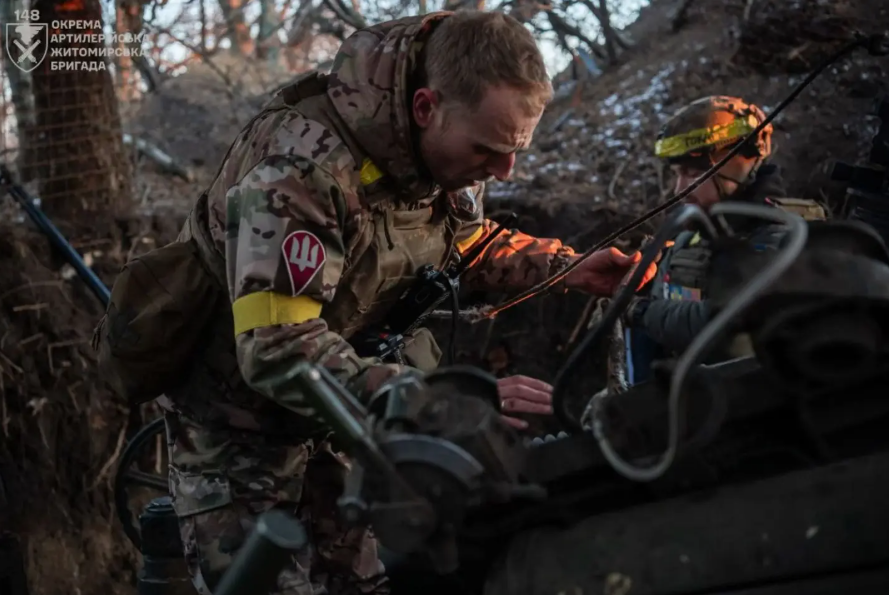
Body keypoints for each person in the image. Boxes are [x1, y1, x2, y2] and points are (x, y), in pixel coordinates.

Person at [94, 10, 656, 595]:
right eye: (489, 149)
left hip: (341, 419)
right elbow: (276, 349)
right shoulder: (299, 169)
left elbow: (463, 243)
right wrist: (434, 402)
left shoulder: (447, 157)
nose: (505, 171)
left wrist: (567, 267)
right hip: (239, 436)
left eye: (514, 150)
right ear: (425, 107)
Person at [621, 95, 826, 383]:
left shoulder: (789, 239)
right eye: (677, 174)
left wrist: (639, 311)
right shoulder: (687, 240)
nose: (679, 189)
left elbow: (728, 325)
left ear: (738, 166)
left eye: (693, 173)